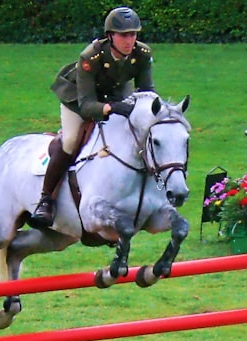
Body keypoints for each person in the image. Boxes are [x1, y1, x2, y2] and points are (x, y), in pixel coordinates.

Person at [26, 6, 156, 229]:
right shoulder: (90, 56)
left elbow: (147, 91)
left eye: (133, 34)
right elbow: (87, 105)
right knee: (70, 141)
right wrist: (112, 108)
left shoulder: (142, 54)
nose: (129, 40)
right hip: (78, 99)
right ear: (110, 36)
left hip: (115, 95)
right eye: (123, 35)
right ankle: (46, 200)